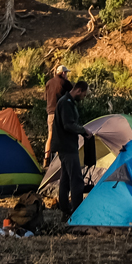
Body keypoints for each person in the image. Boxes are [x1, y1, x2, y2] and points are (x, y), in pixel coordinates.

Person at [49, 81, 94, 218]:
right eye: (84, 95)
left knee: (66, 179)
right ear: (79, 90)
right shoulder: (66, 103)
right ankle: (78, 211)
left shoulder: (66, 101)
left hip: (66, 146)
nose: (83, 98)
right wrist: (83, 130)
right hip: (67, 147)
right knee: (76, 179)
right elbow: (68, 125)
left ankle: (65, 210)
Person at [42, 64, 71, 159]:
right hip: (60, 113)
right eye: (66, 73)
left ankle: (46, 158)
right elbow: (72, 95)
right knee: (61, 136)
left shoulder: (48, 83)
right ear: (63, 73)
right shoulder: (65, 83)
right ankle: (58, 162)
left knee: (50, 135)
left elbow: (45, 98)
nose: (66, 75)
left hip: (50, 113)